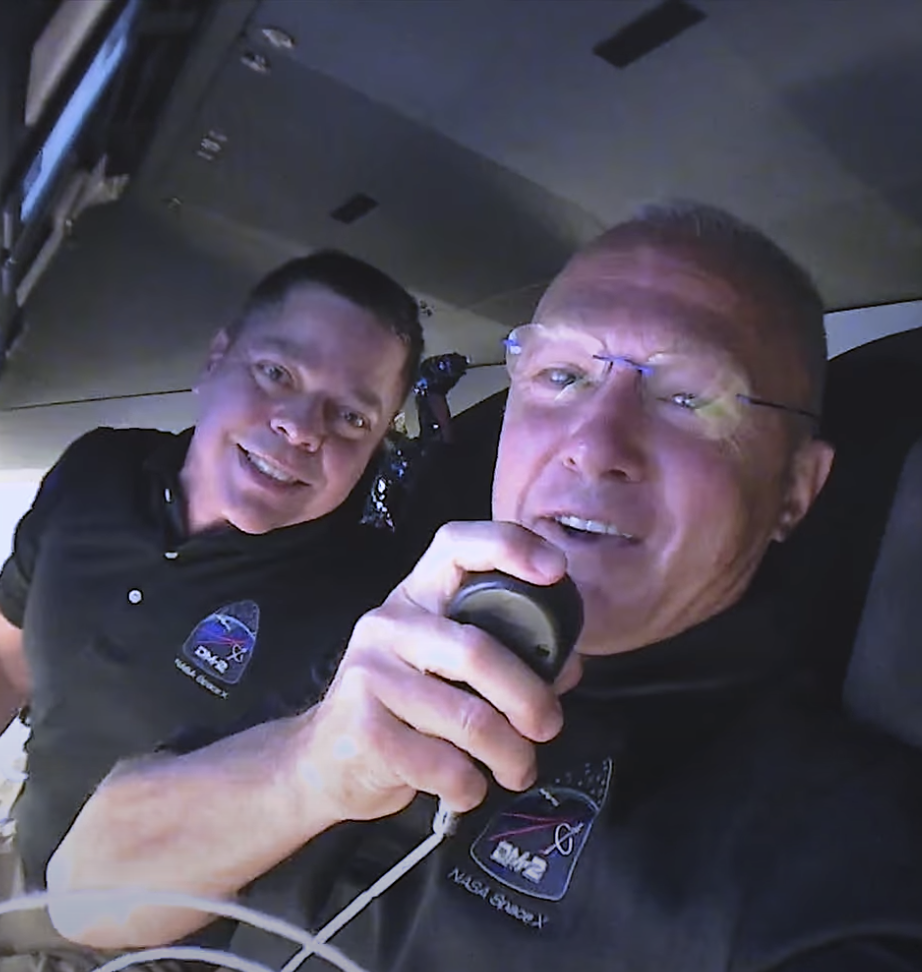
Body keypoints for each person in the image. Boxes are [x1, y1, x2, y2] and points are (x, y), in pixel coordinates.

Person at [47, 202, 922, 970]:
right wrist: (309, 770)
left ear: (796, 492)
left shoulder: (836, 848)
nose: (594, 442)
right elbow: (85, 898)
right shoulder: (387, 643)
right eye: (562, 377)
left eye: (691, 398)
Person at [0, 249, 426, 972]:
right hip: (7, 867)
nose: (303, 428)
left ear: (375, 447)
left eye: (350, 416)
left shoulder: (373, 609)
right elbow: (0, 652)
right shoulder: (99, 471)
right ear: (217, 358)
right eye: (277, 374)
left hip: (158, 948)